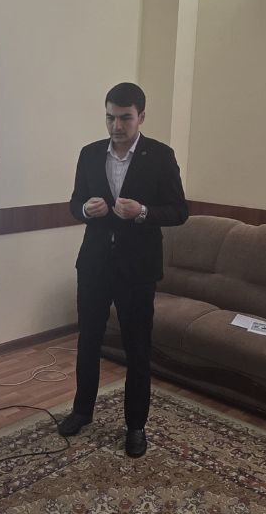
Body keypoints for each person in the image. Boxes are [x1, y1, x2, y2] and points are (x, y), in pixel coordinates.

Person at [60, 82, 189, 457]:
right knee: (88, 340)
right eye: (110, 117)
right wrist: (86, 210)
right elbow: (74, 203)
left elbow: (179, 211)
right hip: (95, 264)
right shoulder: (89, 154)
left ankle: (135, 426)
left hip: (138, 269)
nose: (116, 126)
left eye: (125, 118)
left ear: (141, 117)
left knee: (137, 348)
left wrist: (143, 212)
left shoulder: (160, 156)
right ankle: (82, 411)